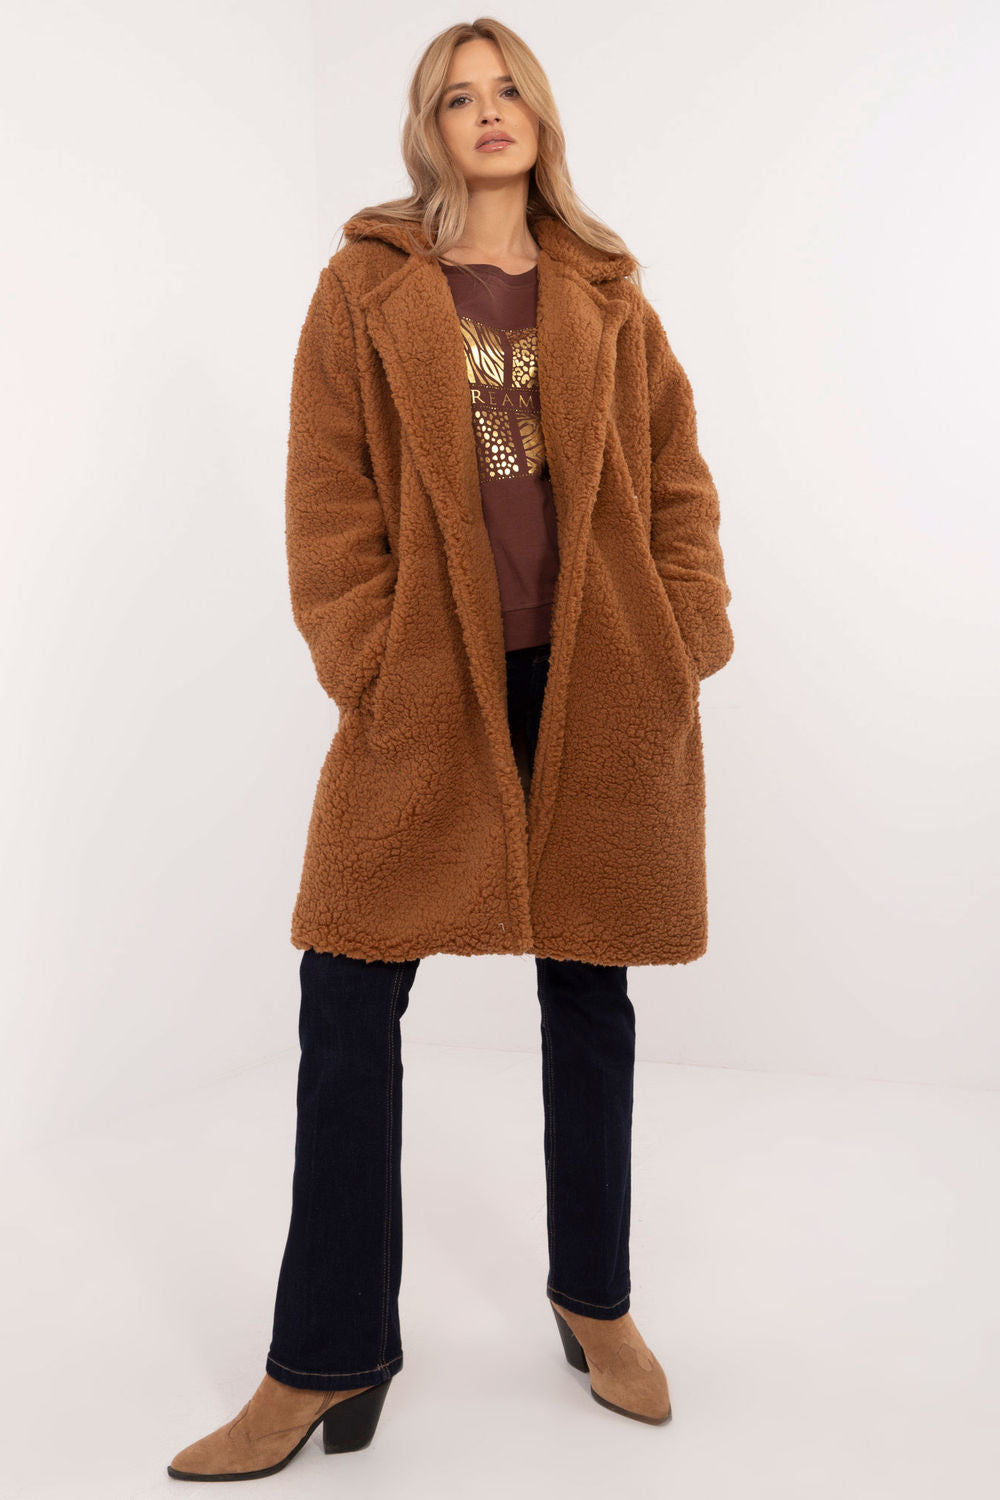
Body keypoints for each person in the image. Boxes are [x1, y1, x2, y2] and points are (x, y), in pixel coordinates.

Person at [167, 15, 733, 1483]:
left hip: (598, 679)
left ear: (541, 116)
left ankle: (593, 1298)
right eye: (458, 96)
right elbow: (326, 498)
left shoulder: (607, 294)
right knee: (347, 991)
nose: (489, 112)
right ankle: (325, 1355)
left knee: (589, 988)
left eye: (509, 89)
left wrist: (684, 633)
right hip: (429, 685)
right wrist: (368, 661)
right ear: (429, 129)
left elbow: (677, 479)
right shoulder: (365, 291)